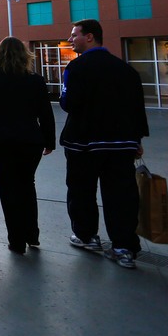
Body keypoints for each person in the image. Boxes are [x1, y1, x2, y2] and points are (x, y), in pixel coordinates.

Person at [60, 19, 148, 269]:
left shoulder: (76, 68)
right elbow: (136, 109)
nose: (71, 39)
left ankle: (87, 236)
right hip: (121, 145)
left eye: (74, 35)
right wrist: (136, 139)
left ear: (90, 37)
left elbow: (68, 103)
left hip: (83, 144)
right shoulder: (126, 71)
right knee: (121, 195)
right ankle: (123, 247)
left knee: (81, 191)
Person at [0, 38, 55, 254]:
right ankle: (32, 234)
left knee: (8, 189)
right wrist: (49, 140)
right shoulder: (35, 80)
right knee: (28, 185)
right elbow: (45, 113)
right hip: (30, 141)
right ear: (24, 55)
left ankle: (16, 240)